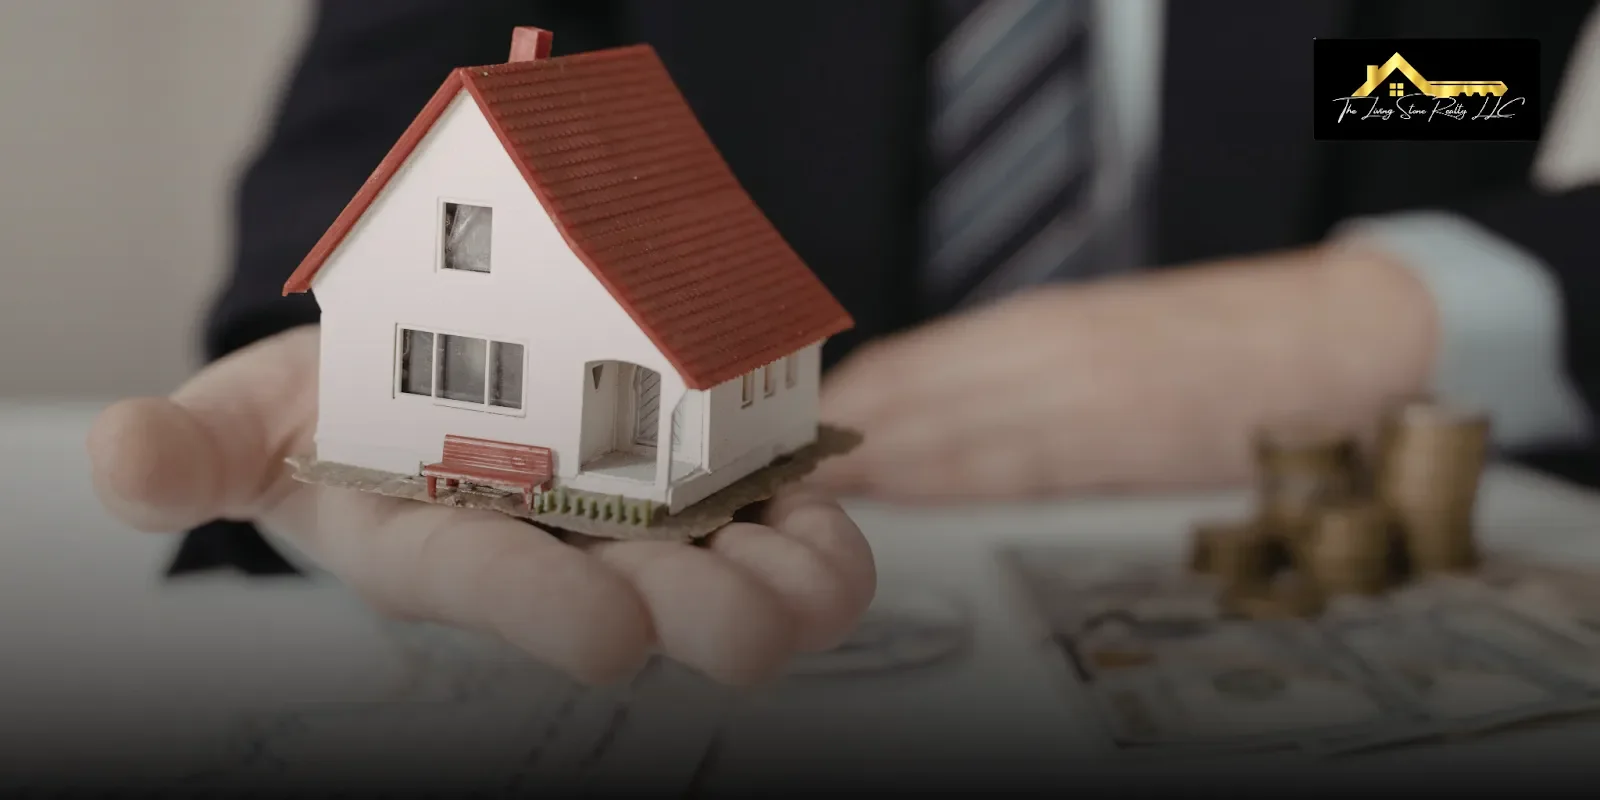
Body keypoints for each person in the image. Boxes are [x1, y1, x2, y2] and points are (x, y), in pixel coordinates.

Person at [87, 0, 1600, 686]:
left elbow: (1438, 89)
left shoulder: (1395, 77)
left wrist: (1405, 302)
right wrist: (360, 363)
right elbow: (403, 127)